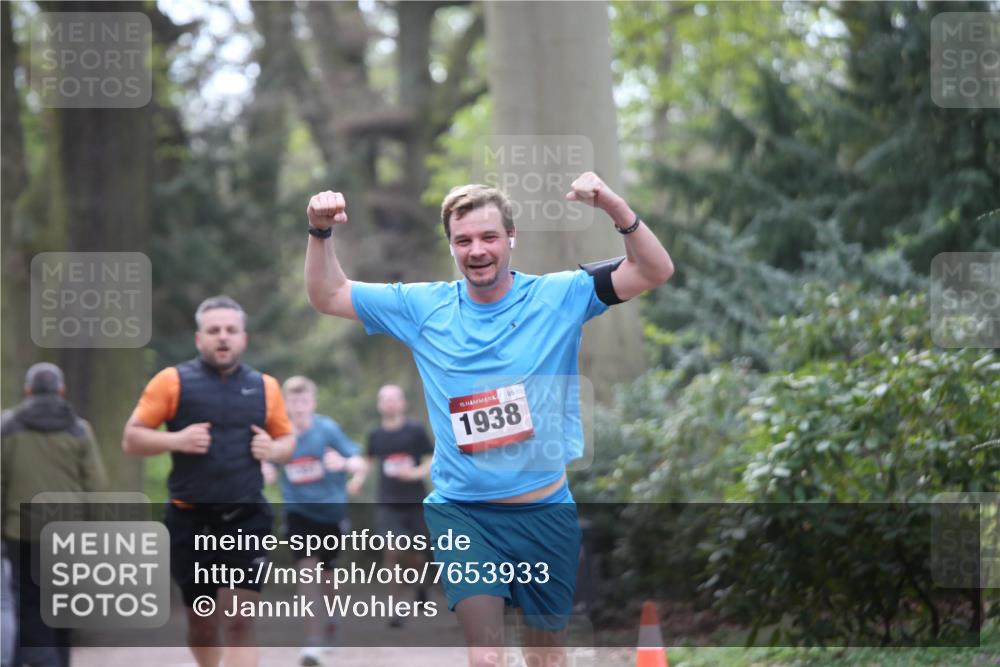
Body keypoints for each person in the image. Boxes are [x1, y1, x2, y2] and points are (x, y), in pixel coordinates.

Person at [303, 171, 674, 666]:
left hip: (544, 512)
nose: (477, 250)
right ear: (451, 246)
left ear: (511, 239)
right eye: (464, 240)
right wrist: (319, 232)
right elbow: (329, 294)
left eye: (488, 237)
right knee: (487, 657)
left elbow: (653, 270)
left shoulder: (559, 296)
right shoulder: (422, 307)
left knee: (545, 658)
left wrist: (614, 207)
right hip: (464, 513)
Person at [122, 296, 295, 667]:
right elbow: (131, 438)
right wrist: (176, 440)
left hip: (246, 517)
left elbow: (287, 440)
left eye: (231, 330)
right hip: (189, 520)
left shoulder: (265, 387)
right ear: (199, 338)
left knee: (239, 620)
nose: (222, 337)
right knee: (202, 626)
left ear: (243, 338)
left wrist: (274, 449)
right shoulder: (171, 382)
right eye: (214, 330)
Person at [1, 362, 108, 667]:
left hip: (20, 529)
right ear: (61, 390)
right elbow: (96, 486)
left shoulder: (7, 427)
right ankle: (58, 660)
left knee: (29, 602)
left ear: (28, 390)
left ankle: (37, 660)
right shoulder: (79, 429)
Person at [260, 375, 367, 667]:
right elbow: (265, 460)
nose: (299, 407)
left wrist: (347, 467)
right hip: (298, 512)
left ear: (313, 402)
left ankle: (332, 617)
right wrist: (265, 470)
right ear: (286, 404)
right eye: (293, 401)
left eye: (304, 400)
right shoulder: (279, 433)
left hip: (331, 514)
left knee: (327, 576)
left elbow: (359, 461)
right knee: (307, 572)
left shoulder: (327, 429)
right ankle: (313, 641)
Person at [366, 384, 433, 626]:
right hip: (387, 502)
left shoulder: (415, 431)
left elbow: (431, 458)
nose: (390, 403)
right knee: (392, 551)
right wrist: (356, 479)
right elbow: (367, 461)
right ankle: (395, 609)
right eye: (385, 399)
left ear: (403, 403)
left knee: (416, 555)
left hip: (415, 501)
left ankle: (421, 586)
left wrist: (415, 473)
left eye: (395, 398)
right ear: (379, 405)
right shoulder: (376, 435)